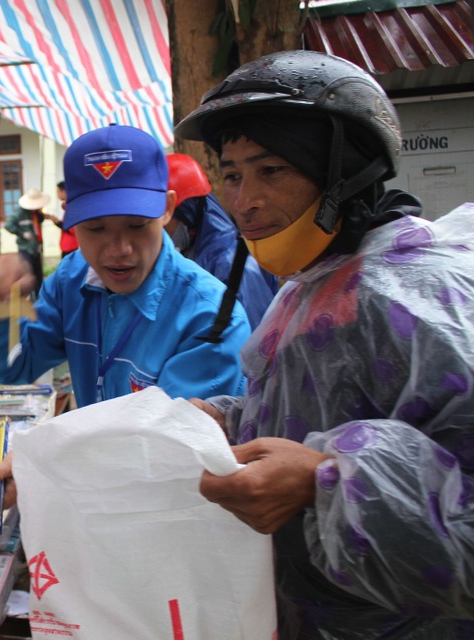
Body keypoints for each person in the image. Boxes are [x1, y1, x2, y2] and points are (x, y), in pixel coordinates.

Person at [170, 50, 474, 638]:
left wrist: (324, 482)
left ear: (343, 168)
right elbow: (316, 413)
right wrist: (225, 421)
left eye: (271, 170)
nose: (245, 201)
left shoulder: (419, 298)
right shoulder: (310, 279)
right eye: (231, 176)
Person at [0, 124, 251, 407]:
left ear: (167, 208)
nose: (119, 249)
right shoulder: (71, 279)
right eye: (95, 228)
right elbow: (9, 369)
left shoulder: (210, 318)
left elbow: (172, 442)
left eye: (136, 225)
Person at [165, 153, 278, 329]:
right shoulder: (192, 254)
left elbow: (255, 339)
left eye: (166, 221)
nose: (160, 232)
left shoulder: (233, 266)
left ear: (187, 213)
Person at [5, 188, 49, 296]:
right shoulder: (19, 213)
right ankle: (28, 297)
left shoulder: (35, 213)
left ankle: (39, 296)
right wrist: (21, 233)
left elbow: (38, 223)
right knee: (27, 273)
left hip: (36, 247)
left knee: (38, 274)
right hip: (25, 248)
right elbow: (8, 225)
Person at [44, 180, 79, 258]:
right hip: (67, 245)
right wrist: (56, 221)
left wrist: (58, 222)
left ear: (64, 192)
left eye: (57, 192)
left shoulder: (71, 207)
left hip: (70, 245)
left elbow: (71, 229)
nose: (57, 194)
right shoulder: (68, 207)